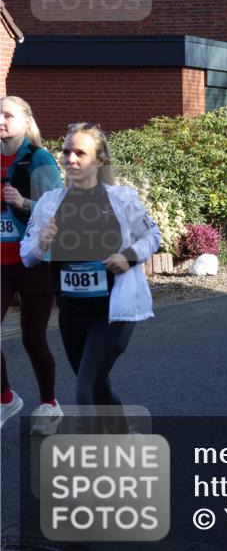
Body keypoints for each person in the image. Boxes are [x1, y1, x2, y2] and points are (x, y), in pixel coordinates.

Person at [21, 123, 160, 411]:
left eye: (80, 153)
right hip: (71, 313)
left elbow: (152, 235)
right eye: (66, 152)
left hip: (112, 312)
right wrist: (42, 244)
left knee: (84, 391)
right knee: (98, 387)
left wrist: (129, 256)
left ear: (100, 159)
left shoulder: (121, 200)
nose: (70, 159)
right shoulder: (49, 203)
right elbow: (27, 255)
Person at [1, 96, 63, 432]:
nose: (0, 120)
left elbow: (58, 209)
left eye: (7, 115)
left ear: (26, 120)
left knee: (32, 337)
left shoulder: (38, 159)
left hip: (34, 261)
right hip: (0, 265)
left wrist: (23, 201)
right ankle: (6, 398)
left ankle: (49, 403)